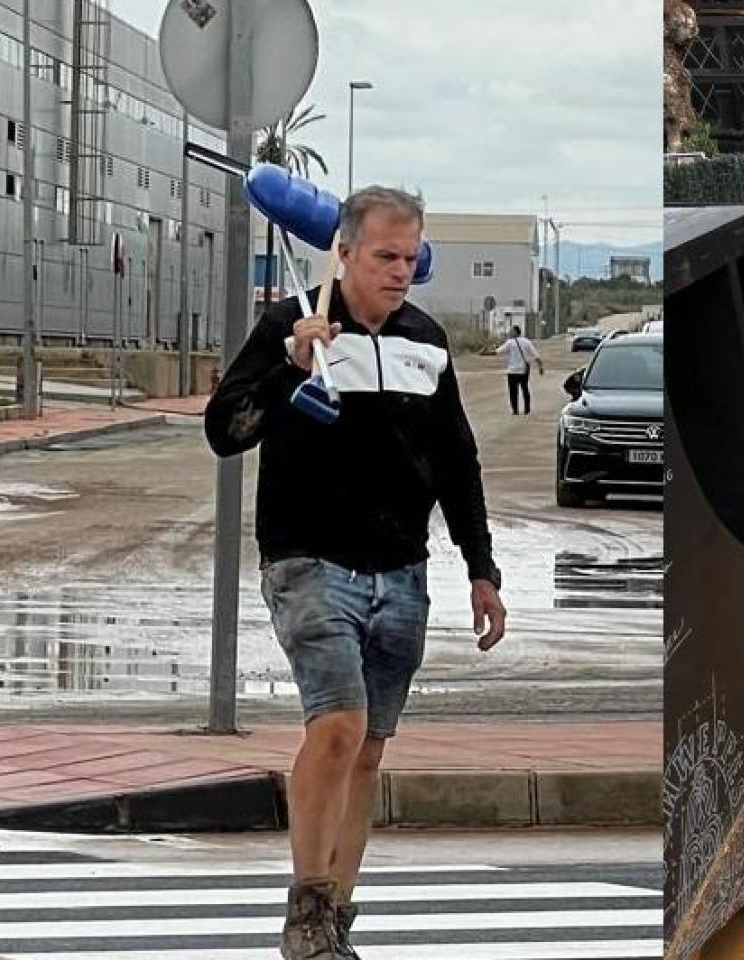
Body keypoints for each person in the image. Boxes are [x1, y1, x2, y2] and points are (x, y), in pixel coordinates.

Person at [204, 186, 508, 960]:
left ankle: (337, 916)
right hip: (308, 561)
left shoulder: (427, 341)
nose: (400, 271)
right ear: (343, 253)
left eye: (410, 257)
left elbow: (457, 462)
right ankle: (306, 912)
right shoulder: (291, 324)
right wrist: (290, 367)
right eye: (384, 256)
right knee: (336, 726)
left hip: (402, 568)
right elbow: (225, 430)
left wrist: (481, 567)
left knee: (368, 747)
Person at [497, 325, 545, 415]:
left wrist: (486, 352)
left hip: (512, 371)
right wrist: (540, 366)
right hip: (524, 370)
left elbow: (498, 351)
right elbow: (536, 355)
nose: (510, 332)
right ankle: (527, 409)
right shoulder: (527, 342)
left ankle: (515, 410)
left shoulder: (510, 342)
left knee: (513, 391)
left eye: (511, 331)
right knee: (525, 388)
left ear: (516, 332)